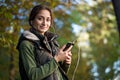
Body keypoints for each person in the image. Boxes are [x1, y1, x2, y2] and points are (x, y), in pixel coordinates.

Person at [16, 4, 73, 80]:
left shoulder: (52, 42)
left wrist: (66, 63)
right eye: (40, 19)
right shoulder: (26, 44)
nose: (44, 23)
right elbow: (33, 76)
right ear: (32, 21)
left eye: (48, 20)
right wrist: (57, 59)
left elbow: (56, 73)